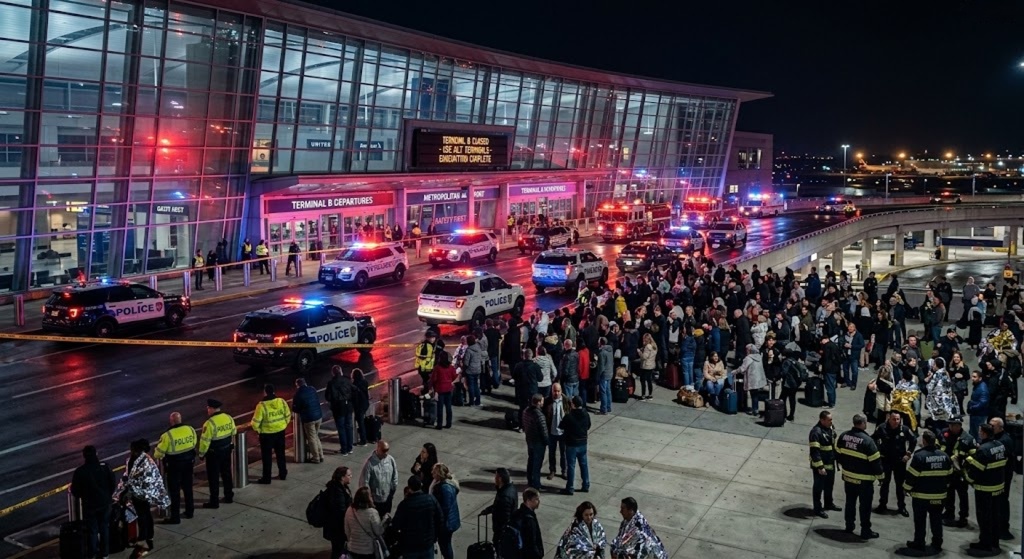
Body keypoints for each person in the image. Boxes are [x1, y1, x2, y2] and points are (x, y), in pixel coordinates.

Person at [902, 429, 953, 552]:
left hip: (921, 497)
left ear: (924, 441)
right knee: (936, 520)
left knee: (920, 521)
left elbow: (911, 476)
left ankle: (919, 542)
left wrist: (906, 489)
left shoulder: (919, 456)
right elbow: (949, 476)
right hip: (939, 496)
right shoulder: (944, 456)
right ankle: (937, 543)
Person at [114, 439, 168, 554]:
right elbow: (129, 475)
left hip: (142, 494)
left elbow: (146, 480)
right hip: (136, 493)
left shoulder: (146, 462)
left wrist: (131, 490)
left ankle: (146, 538)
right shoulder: (133, 459)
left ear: (137, 450)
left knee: (144, 516)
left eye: (132, 449)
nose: (130, 451)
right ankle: (146, 537)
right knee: (142, 515)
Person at [836, 413, 884, 539]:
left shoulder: (843, 436)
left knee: (850, 503)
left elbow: (838, 455)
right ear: (863, 423)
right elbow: (876, 462)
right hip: (864, 481)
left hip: (848, 477)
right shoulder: (868, 441)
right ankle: (865, 530)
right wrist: (881, 477)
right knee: (865, 507)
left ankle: (849, 526)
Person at [964, 423, 1007, 553]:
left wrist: (967, 475)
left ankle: (985, 543)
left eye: (980, 431)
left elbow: (976, 471)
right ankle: (995, 542)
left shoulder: (983, 449)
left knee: (984, 518)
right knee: (995, 516)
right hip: (998, 487)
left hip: (985, 489)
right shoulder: (1000, 446)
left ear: (983, 433)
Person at [70, 445, 116, 559]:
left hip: (90, 505)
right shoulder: (105, 467)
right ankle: (105, 553)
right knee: (104, 527)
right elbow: (112, 483)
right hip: (105, 502)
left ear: (84, 456)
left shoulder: (80, 471)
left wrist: (84, 497)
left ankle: (93, 553)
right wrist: (107, 495)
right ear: (96, 454)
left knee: (92, 530)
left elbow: (75, 490)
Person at [153, 411, 197, 523]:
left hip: (174, 467)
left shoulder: (167, 435)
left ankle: (175, 517)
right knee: (188, 489)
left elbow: (158, 454)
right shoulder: (190, 429)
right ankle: (189, 511)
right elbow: (194, 443)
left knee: (175, 492)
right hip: (188, 464)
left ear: (171, 421)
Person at [872, 410, 915, 517]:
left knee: (900, 485)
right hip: (885, 460)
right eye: (894, 419)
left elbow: (913, 440)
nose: (896, 421)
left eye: (898, 419)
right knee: (884, 483)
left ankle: (901, 506)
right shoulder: (882, 428)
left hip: (899, 461)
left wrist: (908, 453)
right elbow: (873, 438)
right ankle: (882, 505)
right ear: (888, 419)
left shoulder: (904, 429)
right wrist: (878, 451)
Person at [391, 476, 442, 559]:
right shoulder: (431, 499)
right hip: (427, 544)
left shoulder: (404, 504)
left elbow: (395, 525)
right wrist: (434, 537)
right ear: (421, 485)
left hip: (410, 546)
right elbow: (440, 519)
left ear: (410, 488)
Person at [198, 399, 236, 508]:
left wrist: (201, 454)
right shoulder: (228, 417)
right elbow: (234, 431)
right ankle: (229, 496)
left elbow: (205, 441)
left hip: (214, 454)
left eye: (208, 408)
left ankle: (214, 501)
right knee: (227, 474)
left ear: (212, 409)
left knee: (213, 477)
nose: (207, 411)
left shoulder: (209, 423)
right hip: (226, 450)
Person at [940, 417, 975, 528]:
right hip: (948, 471)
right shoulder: (944, 433)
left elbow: (973, 455)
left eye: (952, 425)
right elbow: (938, 446)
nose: (950, 427)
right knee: (949, 493)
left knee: (962, 495)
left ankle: (963, 517)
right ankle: (949, 513)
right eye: (949, 424)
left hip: (961, 472)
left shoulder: (968, 439)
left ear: (958, 426)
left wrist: (965, 462)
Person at [252, 383, 290, 484]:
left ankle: (267, 478)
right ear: (274, 391)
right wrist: (283, 425)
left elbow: (255, 423)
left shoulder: (261, 406)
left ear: (265, 392)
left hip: (267, 435)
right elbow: (288, 415)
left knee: (267, 457)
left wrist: (259, 431)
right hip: (280, 432)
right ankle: (283, 474)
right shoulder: (281, 401)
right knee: (281, 454)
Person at [809, 410, 841, 518]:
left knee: (829, 486)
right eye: (829, 420)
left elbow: (832, 444)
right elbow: (815, 452)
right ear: (822, 420)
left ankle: (828, 503)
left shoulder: (830, 428)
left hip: (830, 463)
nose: (831, 422)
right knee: (818, 488)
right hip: (821, 466)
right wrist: (820, 466)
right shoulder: (816, 432)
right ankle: (817, 509)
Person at [989, 417, 1017, 541]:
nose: (990, 428)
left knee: (1002, 501)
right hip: (997, 476)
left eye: (992, 427)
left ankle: (1003, 528)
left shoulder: (1005, 441)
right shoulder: (995, 438)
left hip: (1004, 476)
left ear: (1000, 427)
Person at [480, 468, 518, 550]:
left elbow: (505, 517)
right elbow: (499, 506)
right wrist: (488, 510)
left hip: (502, 532)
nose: (494, 479)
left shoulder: (505, 496)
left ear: (500, 479)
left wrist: (499, 535)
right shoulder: (508, 489)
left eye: (495, 477)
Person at [561, 395, 591, 496]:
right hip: (583, 443)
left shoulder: (569, 416)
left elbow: (561, 426)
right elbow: (589, 426)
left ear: (573, 404)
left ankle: (570, 487)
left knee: (571, 466)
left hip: (572, 444)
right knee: (584, 465)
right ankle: (586, 485)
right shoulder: (586, 414)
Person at [359, 440, 399, 517]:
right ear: (378, 448)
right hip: (375, 500)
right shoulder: (370, 463)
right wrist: (369, 499)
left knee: (386, 518)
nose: (386, 453)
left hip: (387, 498)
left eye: (387, 450)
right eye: (384, 450)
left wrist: (392, 491)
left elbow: (395, 477)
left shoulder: (390, 460)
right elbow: (364, 482)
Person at [430, 463, 461, 559]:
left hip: (446, 523)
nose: (432, 473)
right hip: (448, 521)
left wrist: (439, 521)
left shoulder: (445, 488)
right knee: (445, 544)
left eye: (434, 472)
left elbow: (445, 508)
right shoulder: (446, 484)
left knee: (445, 545)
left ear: (439, 474)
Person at [290, 377, 324, 464]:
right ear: (305, 383)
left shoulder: (298, 394)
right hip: (319, 416)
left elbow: (295, 409)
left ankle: (316, 458)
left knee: (312, 438)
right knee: (316, 436)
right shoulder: (312, 389)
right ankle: (321, 455)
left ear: (297, 385)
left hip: (309, 418)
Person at [345, 487, 385, 559]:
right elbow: (378, 531)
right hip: (367, 549)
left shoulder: (349, 510)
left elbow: (347, 530)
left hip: (352, 548)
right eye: (370, 496)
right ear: (367, 499)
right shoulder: (372, 513)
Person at [323, 466, 353, 559]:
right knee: (338, 550)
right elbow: (341, 512)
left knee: (338, 549)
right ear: (342, 477)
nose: (351, 476)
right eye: (349, 475)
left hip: (336, 528)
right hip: (337, 529)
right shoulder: (337, 492)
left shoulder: (339, 486)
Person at [504, 488, 544, 559]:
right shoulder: (529, 520)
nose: (538, 502)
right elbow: (532, 542)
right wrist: (538, 555)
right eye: (536, 499)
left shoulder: (516, 513)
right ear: (528, 501)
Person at [325, 365, 354, 455]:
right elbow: (353, 390)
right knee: (349, 427)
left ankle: (344, 449)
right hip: (348, 406)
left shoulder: (331, 383)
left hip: (338, 408)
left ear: (333, 373)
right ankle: (350, 448)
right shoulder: (347, 380)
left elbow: (328, 397)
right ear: (341, 371)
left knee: (341, 428)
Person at [523, 393, 549, 490]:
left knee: (531, 461)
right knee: (537, 465)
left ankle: (530, 480)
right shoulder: (539, 415)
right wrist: (547, 442)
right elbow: (544, 431)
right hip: (538, 443)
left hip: (529, 440)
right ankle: (537, 484)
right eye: (542, 401)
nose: (543, 402)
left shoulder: (526, 411)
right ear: (538, 402)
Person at [545, 382, 570, 483]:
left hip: (563, 433)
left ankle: (564, 470)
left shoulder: (566, 401)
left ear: (561, 391)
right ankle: (552, 470)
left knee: (563, 453)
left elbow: (569, 414)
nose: (556, 393)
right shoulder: (547, 401)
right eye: (555, 391)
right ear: (552, 391)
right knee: (551, 453)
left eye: (558, 391)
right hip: (551, 432)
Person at [428, 349, 457, 429]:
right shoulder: (451, 367)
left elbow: (433, 379)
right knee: (448, 407)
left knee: (440, 408)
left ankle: (439, 424)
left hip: (440, 390)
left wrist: (430, 387)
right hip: (448, 389)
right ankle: (448, 423)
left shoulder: (437, 368)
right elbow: (454, 376)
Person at [966, 370, 990, 440]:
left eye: (974, 377)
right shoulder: (977, 385)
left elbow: (983, 402)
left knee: (977, 433)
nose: (972, 378)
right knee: (973, 432)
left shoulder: (983, 389)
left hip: (979, 414)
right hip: (976, 413)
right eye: (972, 376)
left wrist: (971, 408)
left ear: (980, 378)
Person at [352, 368, 372, 445]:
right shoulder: (364, 382)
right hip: (365, 404)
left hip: (359, 406)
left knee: (360, 423)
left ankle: (363, 440)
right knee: (362, 421)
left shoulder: (354, 385)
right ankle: (365, 435)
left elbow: (355, 397)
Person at [637, 333, 658, 400]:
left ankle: (643, 395)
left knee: (642, 380)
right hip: (651, 364)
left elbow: (644, 357)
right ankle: (650, 394)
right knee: (649, 380)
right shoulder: (654, 346)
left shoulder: (648, 346)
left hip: (646, 365)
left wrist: (639, 352)